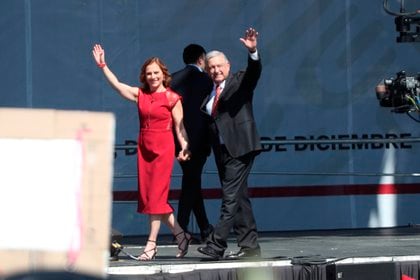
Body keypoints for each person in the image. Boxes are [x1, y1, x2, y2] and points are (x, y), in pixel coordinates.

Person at [92, 44, 192, 261]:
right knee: (151, 199)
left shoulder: (172, 98)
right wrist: (103, 65)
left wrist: (185, 146)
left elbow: (180, 127)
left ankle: (151, 244)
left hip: (163, 149)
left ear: (163, 74)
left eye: (156, 72)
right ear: (144, 76)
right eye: (149, 73)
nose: (153, 76)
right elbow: (118, 85)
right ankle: (181, 235)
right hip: (144, 148)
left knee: (156, 198)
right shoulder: (141, 95)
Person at [197, 28, 262, 260]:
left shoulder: (239, 81)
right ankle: (250, 248)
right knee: (239, 197)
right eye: (211, 67)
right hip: (222, 151)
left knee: (230, 196)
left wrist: (253, 51)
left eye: (219, 66)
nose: (215, 70)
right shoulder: (210, 94)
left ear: (228, 66)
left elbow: (254, 72)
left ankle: (216, 245)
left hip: (241, 147)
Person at [171, 44, 214, 242]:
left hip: (178, 139)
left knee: (192, 180)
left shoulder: (172, 79)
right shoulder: (207, 79)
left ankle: (204, 228)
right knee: (191, 182)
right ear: (200, 59)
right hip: (199, 140)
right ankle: (180, 230)